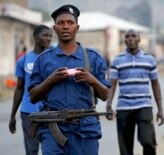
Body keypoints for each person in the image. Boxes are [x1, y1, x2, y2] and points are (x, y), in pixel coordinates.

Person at [28, 4, 110, 155]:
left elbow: (105, 95)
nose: (65, 27)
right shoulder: (44, 59)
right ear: (55, 28)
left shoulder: (93, 57)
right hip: (53, 129)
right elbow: (33, 97)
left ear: (77, 28)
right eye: (61, 23)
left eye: (70, 23)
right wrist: (50, 80)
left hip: (85, 129)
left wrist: (92, 79)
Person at [106, 29, 164, 155]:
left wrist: (160, 109)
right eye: (127, 36)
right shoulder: (117, 60)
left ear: (139, 39)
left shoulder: (149, 60)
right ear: (124, 40)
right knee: (125, 148)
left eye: (134, 36)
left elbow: (155, 84)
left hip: (144, 106)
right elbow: (112, 84)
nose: (130, 39)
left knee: (148, 141)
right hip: (124, 108)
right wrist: (108, 105)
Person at [9, 25, 52, 155]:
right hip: (29, 114)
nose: (48, 38)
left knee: (51, 150)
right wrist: (12, 116)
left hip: (50, 113)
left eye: (50, 36)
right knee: (31, 151)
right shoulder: (24, 60)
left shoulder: (54, 58)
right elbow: (19, 88)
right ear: (35, 37)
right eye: (44, 35)